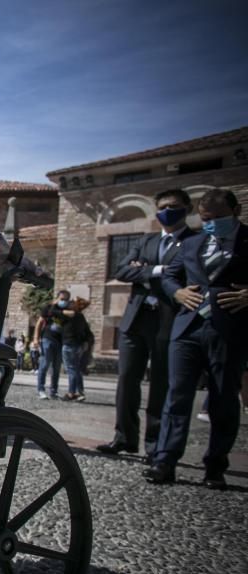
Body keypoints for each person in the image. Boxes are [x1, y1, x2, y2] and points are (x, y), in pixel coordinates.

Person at [145, 189, 248, 489]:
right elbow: (168, 276)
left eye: (219, 218)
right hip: (188, 327)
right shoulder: (192, 243)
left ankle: (215, 466)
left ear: (236, 211)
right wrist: (176, 291)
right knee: (176, 396)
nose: (212, 223)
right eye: (206, 219)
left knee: (223, 399)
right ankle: (165, 461)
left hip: (229, 328)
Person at [98, 189, 197, 456]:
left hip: (170, 319)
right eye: (162, 206)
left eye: (173, 206)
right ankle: (124, 437)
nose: (167, 211)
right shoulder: (147, 241)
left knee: (161, 384)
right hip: (136, 319)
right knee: (127, 379)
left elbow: (188, 275)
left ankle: (154, 445)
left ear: (187, 208)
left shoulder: (194, 242)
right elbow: (122, 270)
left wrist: (142, 270)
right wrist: (156, 270)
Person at [34, 289, 72, 399]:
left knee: (56, 368)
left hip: (60, 342)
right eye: (61, 299)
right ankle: (41, 390)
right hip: (47, 339)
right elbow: (39, 322)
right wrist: (36, 338)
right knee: (44, 364)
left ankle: (53, 391)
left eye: (65, 299)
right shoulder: (49, 308)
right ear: (57, 298)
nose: (63, 301)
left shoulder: (66, 311)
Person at [62, 297, 93, 401]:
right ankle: (80, 392)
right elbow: (88, 333)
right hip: (78, 346)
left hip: (69, 344)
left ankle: (71, 392)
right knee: (76, 370)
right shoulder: (81, 317)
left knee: (71, 370)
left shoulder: (70, 315)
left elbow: (52, 311)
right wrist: (85, 343)